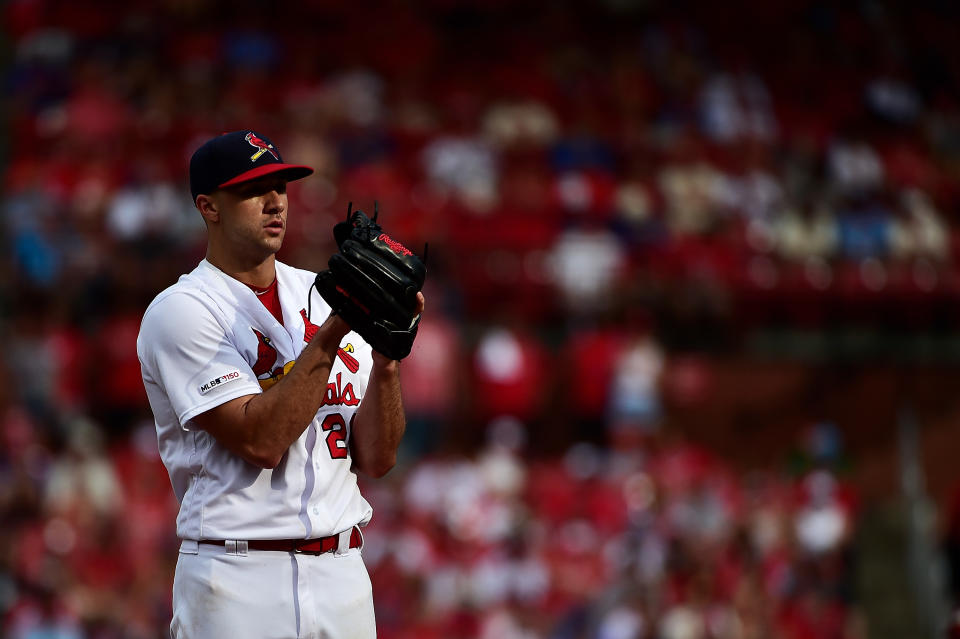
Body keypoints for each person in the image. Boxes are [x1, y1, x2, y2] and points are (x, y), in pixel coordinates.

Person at [136, 130, 422, 638]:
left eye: (281, 187)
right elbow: (261, 441)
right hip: (237, 577)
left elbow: (377, 459)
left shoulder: (320, 291)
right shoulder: (183, 311)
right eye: (252, 190)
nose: (275, 203)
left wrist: (388, 361)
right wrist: (338, 326)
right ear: (209, 206)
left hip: (343, 572)